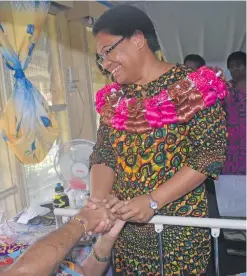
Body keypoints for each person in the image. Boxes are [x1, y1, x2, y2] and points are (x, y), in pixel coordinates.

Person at [89, 4, 228, 275]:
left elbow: (208, 155)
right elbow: (103, 154)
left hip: (179, 236)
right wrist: (99, 201)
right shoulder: (114, 99)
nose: (105, 65)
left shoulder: (194, 87)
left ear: (138, 39)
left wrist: (153, 200)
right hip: (124, 236)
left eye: (108, 52)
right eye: (100, 58)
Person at [222, 51, 246, 176]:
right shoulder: (226, 88)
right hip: (230, 140)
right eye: (231, 66)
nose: (235, 68)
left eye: (239, 65)